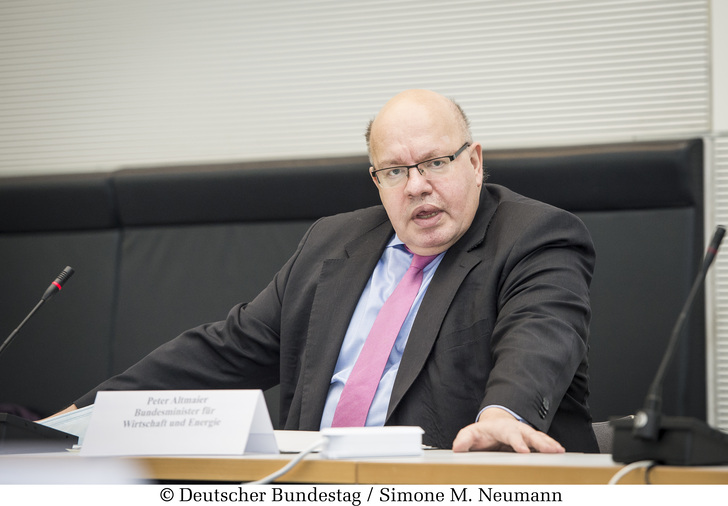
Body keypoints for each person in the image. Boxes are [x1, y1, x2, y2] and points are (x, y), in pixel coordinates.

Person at [53, 89, 598, 453]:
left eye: (435, 163)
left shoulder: (534, 236)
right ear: (376, 181)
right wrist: (86, 413)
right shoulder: (330, 243)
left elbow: (540, 336)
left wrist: (505, 415)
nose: (417, 186)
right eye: (395, 171)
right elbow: (226, 351)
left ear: (474, 161)